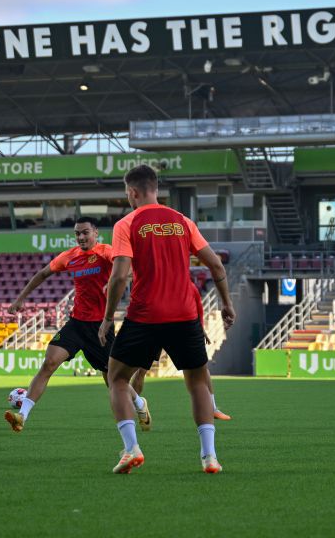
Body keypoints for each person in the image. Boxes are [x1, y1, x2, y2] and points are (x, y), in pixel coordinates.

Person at [98, 164, 236, 474]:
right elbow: (216, 266)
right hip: (184, 315)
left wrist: (108, 317)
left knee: (117, 379)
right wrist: (226, 304)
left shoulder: (127, 223)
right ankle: (209, 456)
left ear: (133, 192)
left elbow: (120, 275)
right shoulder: (183, 222)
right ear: (155, 188)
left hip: (145, 315)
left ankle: (131, 448)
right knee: (198, 382)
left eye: (127, 194)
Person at [3, 217, 151, 432]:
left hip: (101, 327)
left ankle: (139, 403)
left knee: (113, 380)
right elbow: (43, 273)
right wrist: (20, 298)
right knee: (49, 363)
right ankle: (22, 416)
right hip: (77, 323)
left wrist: (113, 280)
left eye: (85, 232)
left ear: (95, 233)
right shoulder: (70, 256)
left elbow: (128, 267)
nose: (81, 237)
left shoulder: (106, 252)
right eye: (77, 233)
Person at [129, 282, 232, 421]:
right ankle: (133, 407)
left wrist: (200, 329)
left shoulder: (188, 286)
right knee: (141, 369)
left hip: (178, 329)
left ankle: (212, 408)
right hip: (153, 327)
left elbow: (198, 308)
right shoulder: (154, 282)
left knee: (200, 369)